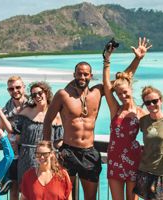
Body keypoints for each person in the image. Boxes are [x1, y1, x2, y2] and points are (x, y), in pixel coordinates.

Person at [43, 60, 105, 200]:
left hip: (89, 153)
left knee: (90, 198)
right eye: (79, 74)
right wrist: (48, 149)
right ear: (74, 75)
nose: (82, 77)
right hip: (68, 152)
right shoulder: (63, 94)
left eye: (85, 74)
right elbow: (47, 121)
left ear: (91, 76)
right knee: (64, 196)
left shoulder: (98, 91)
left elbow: (122, 80)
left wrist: (107, 60)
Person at [102, 38, 151, 200]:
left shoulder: (141, 113)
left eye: (125, 92)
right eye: (119, 94)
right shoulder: (115, 109)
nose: (122, 96)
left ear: (130, 88)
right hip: (114, 160)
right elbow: (107, 86)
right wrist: (107, 60)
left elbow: (157, 131)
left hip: (134, 159)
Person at [0, 81, 63, 184]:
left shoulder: (55, 114)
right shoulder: (27, 111)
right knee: (26, 189)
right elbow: (12, 129)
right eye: (34, 95)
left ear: (46, 93)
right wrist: (0, 113)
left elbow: (59, 142)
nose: (37, 96)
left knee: (45, 187)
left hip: (47, 158)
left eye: (40, 93)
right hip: (27, 157)